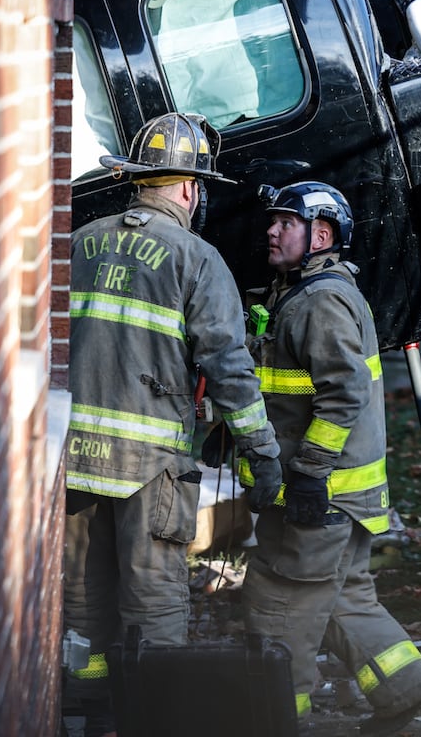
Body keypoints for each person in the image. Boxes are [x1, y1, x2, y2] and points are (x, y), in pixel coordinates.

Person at [62, 112, 282, 737]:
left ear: (138, 180)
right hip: (150, 468)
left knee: (82, 601)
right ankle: (153, 721)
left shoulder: (80, 242)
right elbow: (229, 368)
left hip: (74, 457)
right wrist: (261, 453)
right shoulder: (197, 259)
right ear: (189, 188)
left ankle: (88, 712)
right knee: (153, 601)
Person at [241, 181, 421, 736]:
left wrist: (307, 472)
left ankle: (279, 720)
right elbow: (289, 389)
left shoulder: (319, 300)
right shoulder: (298, 293)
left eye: (286, 222)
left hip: (320, 494)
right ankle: (407, 693)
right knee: (346, 597)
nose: (272, 231)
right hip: (345, 497)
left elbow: (345, 393)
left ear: (321, 234)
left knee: (279, 603)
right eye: (273, 220)